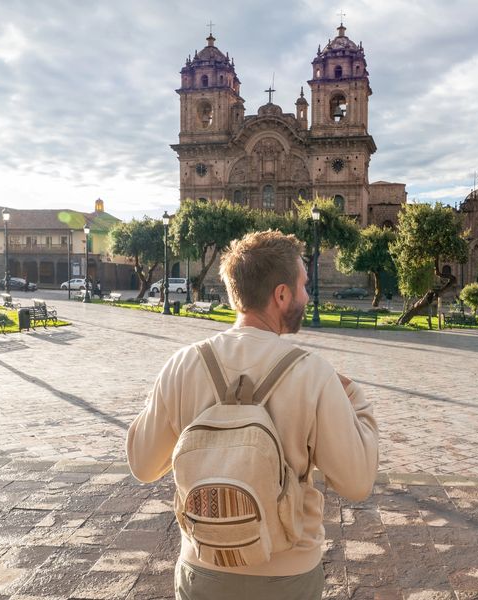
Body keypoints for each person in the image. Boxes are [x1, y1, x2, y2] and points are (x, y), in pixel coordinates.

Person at [126, 230, 378, 600]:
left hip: (203, 570)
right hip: (288, 576)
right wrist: (354, 397)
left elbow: (143, 465)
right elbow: (357, 482)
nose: (307, 296)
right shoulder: (313, 373)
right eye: (303, 286)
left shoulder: (182, 364)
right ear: (281, 295)